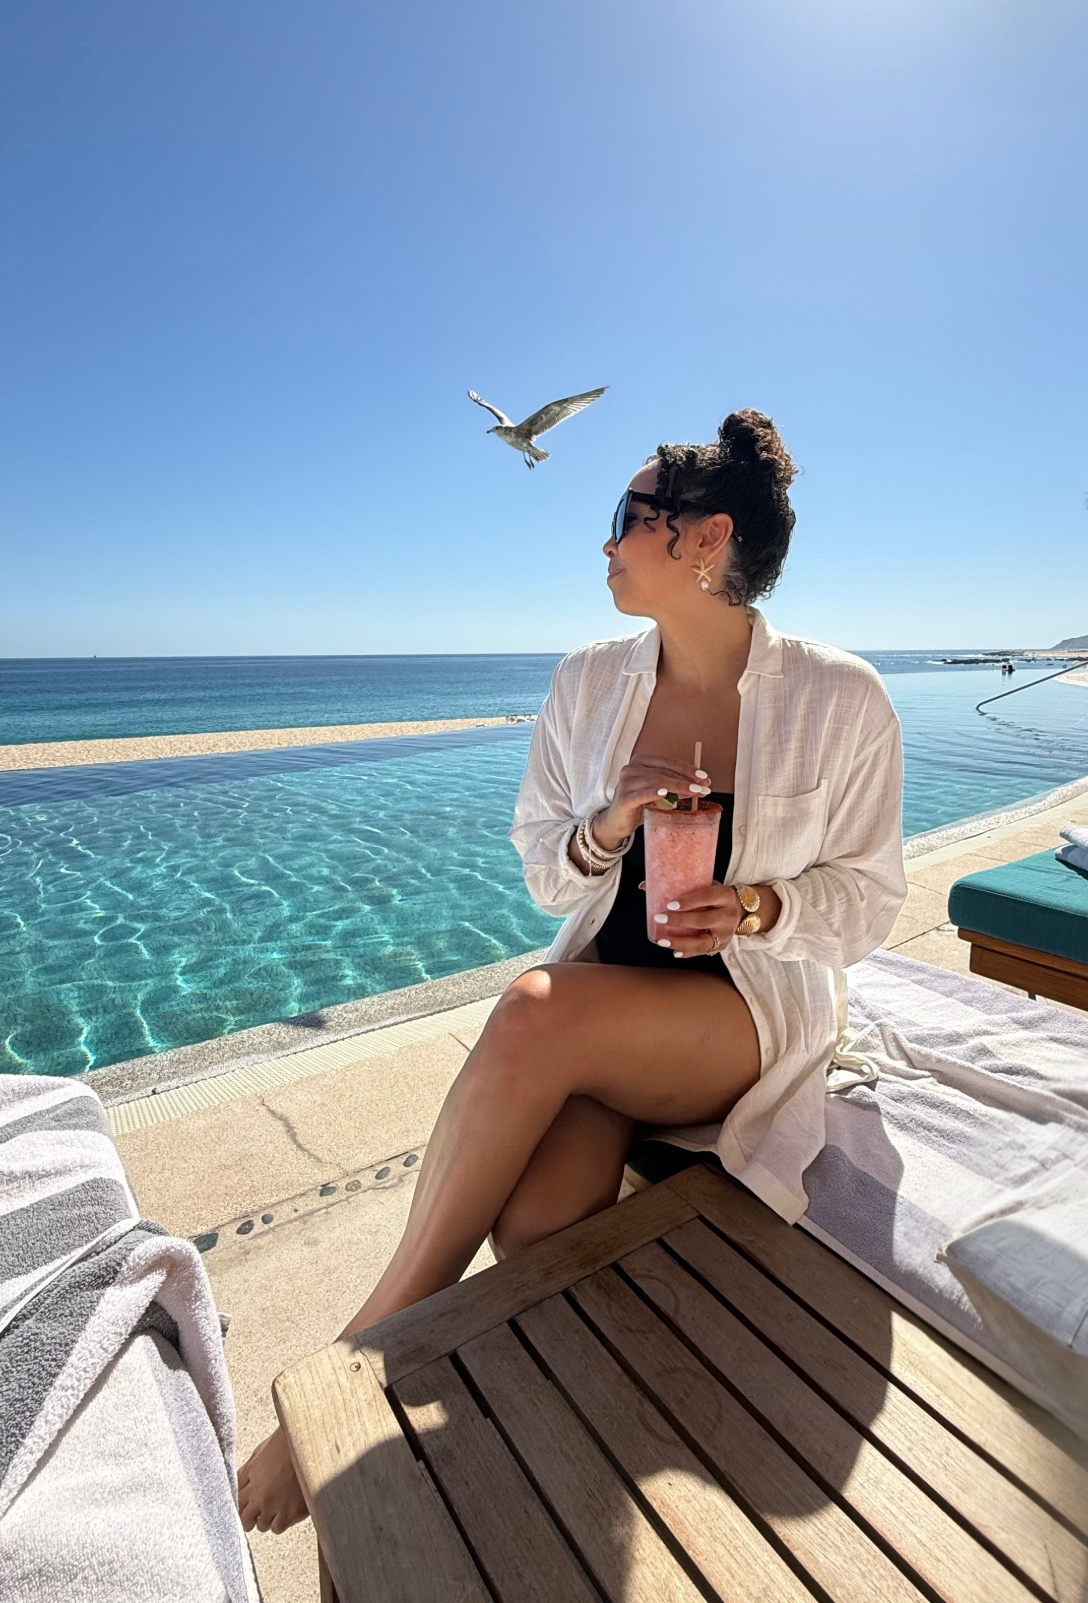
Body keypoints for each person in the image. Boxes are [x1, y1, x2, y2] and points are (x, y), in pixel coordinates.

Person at [236, 409, 907, 1533]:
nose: (605, 545)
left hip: (744, 1012)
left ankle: (363, 1357)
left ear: (704, 540)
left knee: (533, 1011)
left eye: (627, 519)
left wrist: (754, 904)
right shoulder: (590, 682)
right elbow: (548, 875)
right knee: (540, 1223)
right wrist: (606, 825)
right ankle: (571, 1441)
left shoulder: (841, 698)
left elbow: (871, 901)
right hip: (612, 1012)